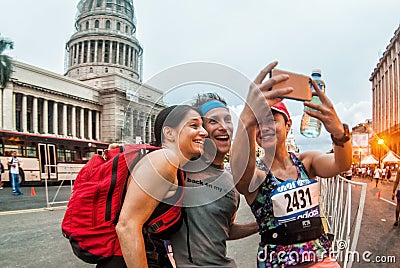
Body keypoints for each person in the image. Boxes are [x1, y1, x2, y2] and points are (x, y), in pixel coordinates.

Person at [231, 61, 352, 267]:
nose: (264, 127)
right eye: (258, 122)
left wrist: (340, 134)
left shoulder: (307, 162)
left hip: (321, 259)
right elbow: (241, 179)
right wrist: (245, 120)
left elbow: (341, 164)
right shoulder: (258, 175)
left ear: (288, 125)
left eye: (272, 119)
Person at [170, 93, 258, 267]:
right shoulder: (179, 169)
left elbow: (225, 229)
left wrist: (262, 224)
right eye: (213, 121)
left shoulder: (231, 183)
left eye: (227, 120)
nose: (223, 127)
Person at [113, 105, 207, 268]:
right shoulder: (165, 159)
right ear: (169, 133)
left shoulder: (173, 165)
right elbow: (127, 226)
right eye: (194, 125)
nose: (205, 132)